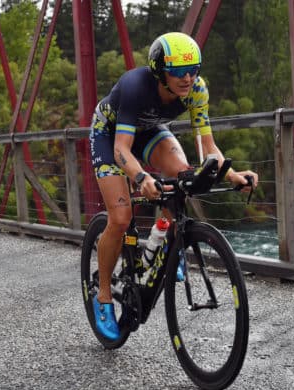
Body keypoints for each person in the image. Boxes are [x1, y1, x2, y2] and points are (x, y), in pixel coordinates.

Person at [88, 32, 258, 340]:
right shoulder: (135, 86)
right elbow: (121, 152)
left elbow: (209, 147)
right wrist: (141, 178)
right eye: (179, 71)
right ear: (159, 71)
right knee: (121, 218)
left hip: (150, 131)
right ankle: (101, 296)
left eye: (194, 69)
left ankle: (165, 245)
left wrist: (232, 175)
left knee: (183, 174)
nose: (188, 77)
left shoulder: (197, 90)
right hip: (111, 137)